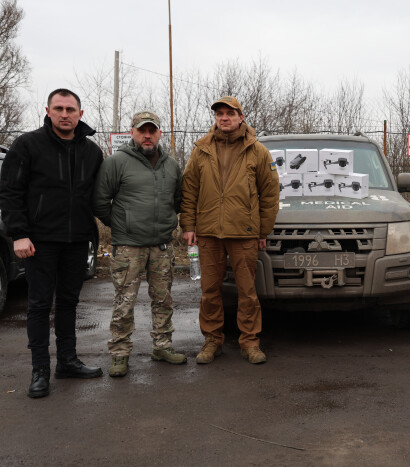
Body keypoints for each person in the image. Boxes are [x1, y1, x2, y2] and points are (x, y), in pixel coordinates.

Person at [0, 89, 104, 398]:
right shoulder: (28, 145)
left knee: (69, 302)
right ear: (47, 110)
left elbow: (97, 197)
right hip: (39, 241)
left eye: (70, 109)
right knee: (39, 304)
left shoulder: (92, 152)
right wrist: (18, 233)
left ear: (80, 114)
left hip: (76, 240)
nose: (64, 114)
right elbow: (10, 192)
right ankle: (40, 370)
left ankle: (68, 361)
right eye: (58, 108)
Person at [180, 96, 279, 365]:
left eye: (229, 113)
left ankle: (250, 342)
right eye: (219, 114)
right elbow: (189, 190)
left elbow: (269, 194)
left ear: (241, 117)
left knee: (247, 291)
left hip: (244, 232)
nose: (224, 118)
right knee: (210, 290)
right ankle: (212, 340)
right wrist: (188, 225)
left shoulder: (257, 150)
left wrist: (262, 231)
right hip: (209, 232)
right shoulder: (201, 149)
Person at [93, 111, 186, 377]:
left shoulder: (171, 165)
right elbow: (100, 201)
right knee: (124, 302)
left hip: (161, 246)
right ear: (132, 131)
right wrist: (122, 225)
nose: (147, 135)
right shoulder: (116, 162)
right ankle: (120, 354)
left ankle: (162, 346)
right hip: (128, 248)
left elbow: (178, 200)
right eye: (142, 130)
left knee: (163, 299)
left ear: (159, 133)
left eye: (152, 130)